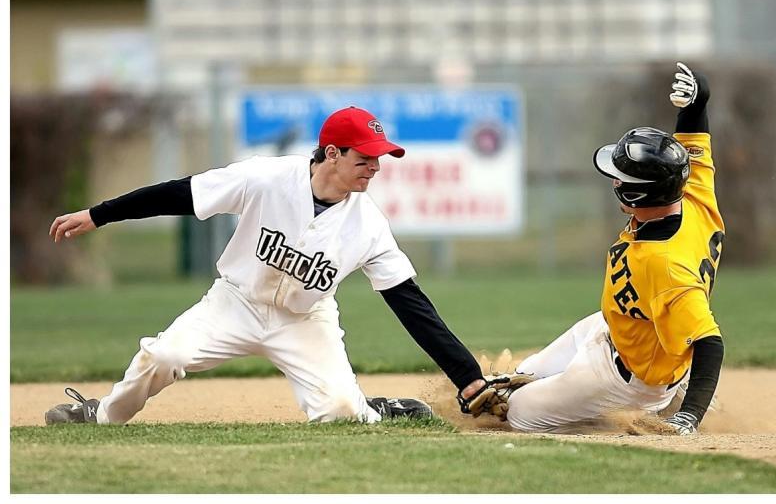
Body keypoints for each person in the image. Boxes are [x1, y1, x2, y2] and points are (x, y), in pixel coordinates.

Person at [45, 106, 493, 425]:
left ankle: (371, 409)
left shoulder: (368, 224)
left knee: (339, 414)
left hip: (304, 320)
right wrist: (99, 214)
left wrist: (467, 377)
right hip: (234, 303)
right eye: (365, 157)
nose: (375, 167)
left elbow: (410, 304)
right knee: (164, 355)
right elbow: (182, 193)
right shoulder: (267, 178)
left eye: (379, 158)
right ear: (332, 153)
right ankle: (101, 415)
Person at [495, 63, 725, 435]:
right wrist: (696, 104)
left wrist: (690, 417)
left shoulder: (665, 264)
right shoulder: (694, 193)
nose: (615, 179)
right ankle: (657, 391)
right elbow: (693, 141)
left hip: (629, 379)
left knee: (517, 414)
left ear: (635, 194)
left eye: (621, 177)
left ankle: (637, 412)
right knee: (518, 379)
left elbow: (710, 343)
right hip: (616, 326)